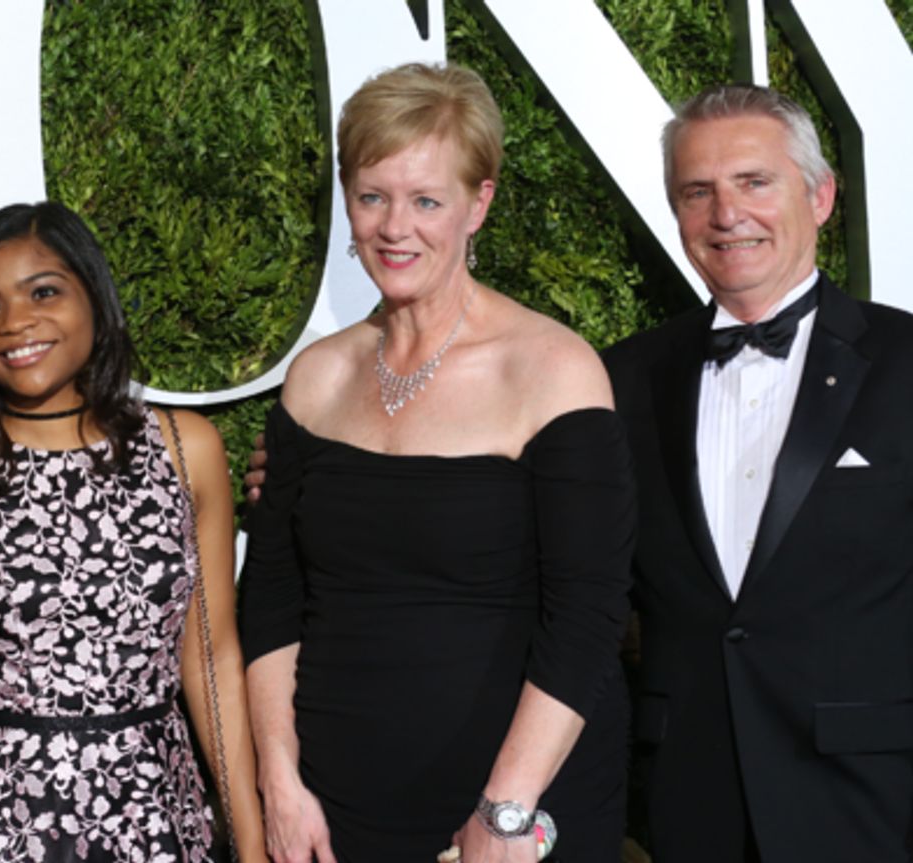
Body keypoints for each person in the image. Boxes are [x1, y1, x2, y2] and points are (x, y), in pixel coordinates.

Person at [237, 63, 635, 863]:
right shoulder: (318, 377)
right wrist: (279, 783)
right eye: (372, 195)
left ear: (478, 204)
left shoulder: (552, 370)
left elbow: (587, 620)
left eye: (426, 200)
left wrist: (507, 811)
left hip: (506, 816)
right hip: (330, 810)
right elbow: (273, 598)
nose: (394, 228)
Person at [0, 201, 267, 863]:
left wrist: (254, 846)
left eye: (43, 292)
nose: (15, 323)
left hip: (153, 824)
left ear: (95, 297)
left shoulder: (184, 448)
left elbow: (210, 661)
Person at [603, 83, 913, 862]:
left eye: (753, 182)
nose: (725, 214)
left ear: (822, 196)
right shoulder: (619, 379)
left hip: (874, 803)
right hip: (689, 797)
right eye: (697, 191)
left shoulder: (908, 361)